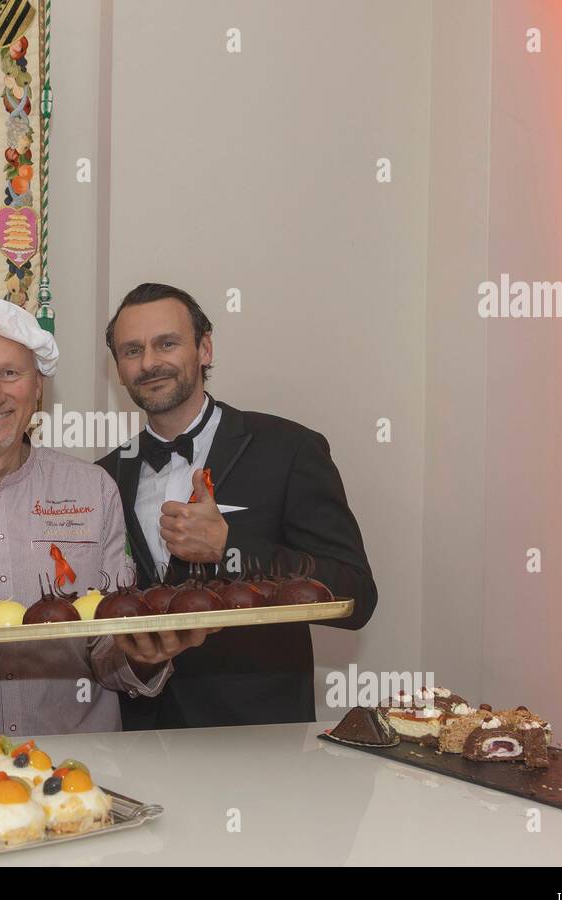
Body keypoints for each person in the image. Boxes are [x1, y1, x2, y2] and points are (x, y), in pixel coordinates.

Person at [0, 294, 207, 736]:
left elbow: (107, 650)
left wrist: (141, 659)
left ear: (37, 389)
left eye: (10, 374)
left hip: (83, 769)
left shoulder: (93, 489)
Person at [97, 282, 378, 729]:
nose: (149, 363)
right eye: (132, 351)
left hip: (259, 742)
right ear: (119, 368)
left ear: (204, 349)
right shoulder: (102, 477)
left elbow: (356, 595)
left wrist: (229, 545)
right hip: (140, 741)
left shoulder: (289, 449)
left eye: (166, 343)